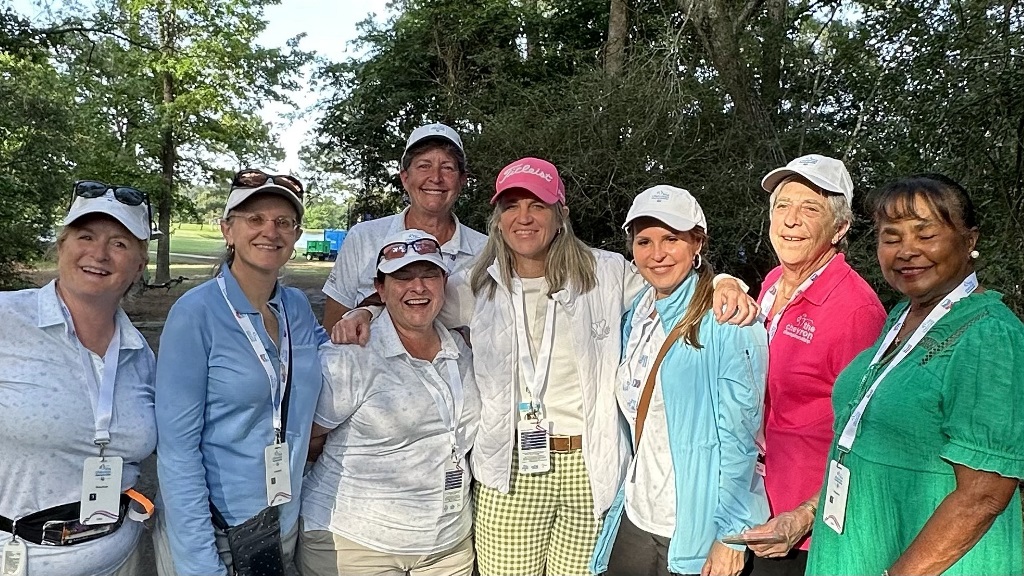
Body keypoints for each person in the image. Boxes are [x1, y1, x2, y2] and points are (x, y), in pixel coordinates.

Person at [333, 158, 761, 575]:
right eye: (512, 206)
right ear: (498, 219)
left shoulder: (605, 272)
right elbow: (416, 304)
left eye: (537, 205)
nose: (524, 218)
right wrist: (368, 311)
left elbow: (669, 282)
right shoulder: (474, 283)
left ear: (561, 215)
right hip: (510, 470)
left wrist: (724, 281)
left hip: (587, 469)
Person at [804, 174, 1024, 575]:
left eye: (926, 235)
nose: (907, 251)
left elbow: (984, 494)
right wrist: (803, 515)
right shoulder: (902, 316)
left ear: (969, 241)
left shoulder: (989, 335)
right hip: (862, 542)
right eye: (891, 238)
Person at [153, 169, 328, 576]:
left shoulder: (297, 308)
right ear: (227, 230)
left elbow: (333, 354)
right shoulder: (194, 314)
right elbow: (177, 451)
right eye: (255, 219)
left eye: (283, 222)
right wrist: (199, 563)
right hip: (214, 533)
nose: (270, 230)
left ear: (296, 236)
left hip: (282, 522)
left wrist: (363, 315)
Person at [589, 185, 769, 576]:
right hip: (637, 513)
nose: (657, 253)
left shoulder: (728, 321)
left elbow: (743, 437)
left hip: (692, 526)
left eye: (671, 239)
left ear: (697, 242)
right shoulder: (637, 313)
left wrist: (733, 534)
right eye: (644, 241)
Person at [299, 229, 480, 576]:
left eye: (428, 275)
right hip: (356, 543)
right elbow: (306, 437)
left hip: (448, 547)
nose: (418, 287)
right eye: (403, 277)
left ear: (444, 283)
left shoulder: (462, 350)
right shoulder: (352, 355)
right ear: (380, 290)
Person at [0, 180, 157, 575]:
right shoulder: (6, 320)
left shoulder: (140, 355)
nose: (99, 254)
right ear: (61, 246)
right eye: (86, 236)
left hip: (118, 557)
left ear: (139, 266)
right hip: (20, 560)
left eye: (119, 244)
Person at [741, 155, 886, 575]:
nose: (791, 220)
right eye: (783, 206)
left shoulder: (857, 311)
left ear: (839, 229)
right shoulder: (772, 283)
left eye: (810, 208)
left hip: (804, 533)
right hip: (754, 503)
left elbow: (867, 440)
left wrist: (805, 515)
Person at [321, 123, 486, 335]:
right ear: (405, 178)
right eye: (424, 166)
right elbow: (333, 330)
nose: (436, 178)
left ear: (462, 180)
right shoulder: (363, 238)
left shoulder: (485, 251)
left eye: (447, 167)